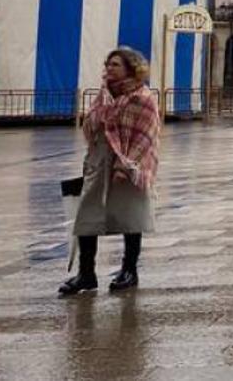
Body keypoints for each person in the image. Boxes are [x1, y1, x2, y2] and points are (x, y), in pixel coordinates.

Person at [60, 47, 160, 296]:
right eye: (108, 65)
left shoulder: (143, 98)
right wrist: (100, 112)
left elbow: (146, 135)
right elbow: (90, 127)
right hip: (99, 160)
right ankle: (86, 273)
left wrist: (127, 165)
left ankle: (129, 269)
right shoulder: (103, 96)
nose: (109, 69)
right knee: (87, 217)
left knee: (130, 217)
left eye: (115, 65)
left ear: (130, 68)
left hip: (130, 161)